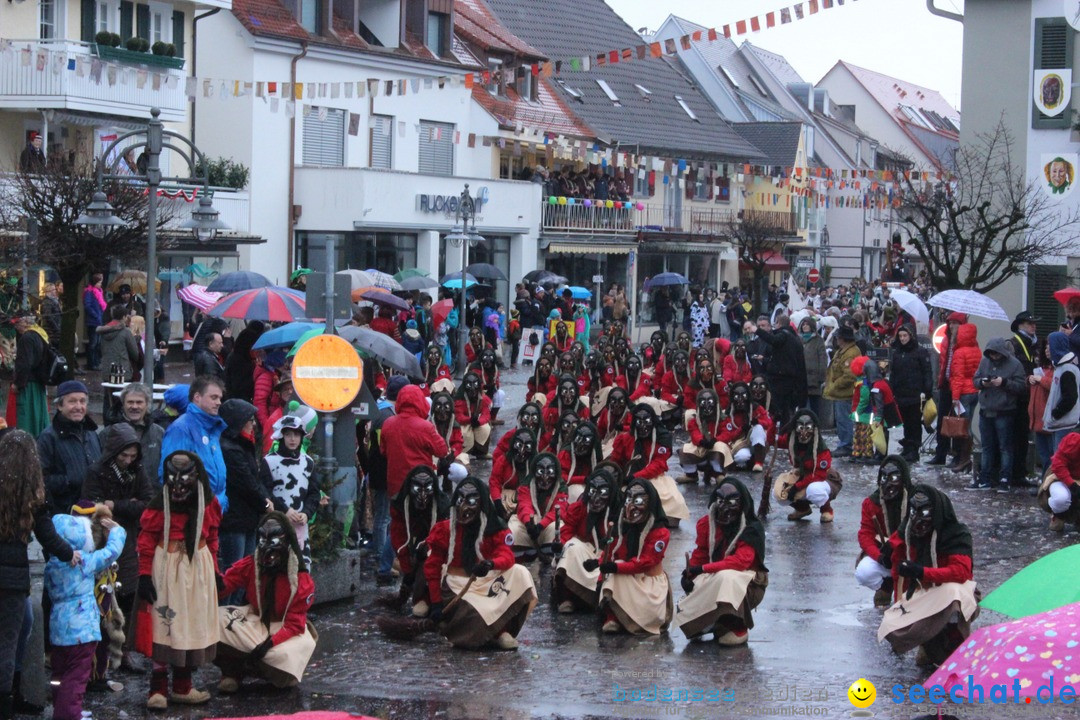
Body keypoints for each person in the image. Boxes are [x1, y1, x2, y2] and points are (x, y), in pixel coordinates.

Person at [0, 429, 78, 718]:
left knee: (25, 622)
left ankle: (16, 691)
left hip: (10, 580)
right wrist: (71, 553)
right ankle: (6, 704)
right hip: (11, 580)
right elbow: (45, 532)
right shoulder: (30, 490)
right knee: (6, 644)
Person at [135, 451, 221, 709]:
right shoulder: (159, 506)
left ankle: (183, 686)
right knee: (166, 623)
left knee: (190, 624)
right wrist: (144, 574)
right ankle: (157, 689)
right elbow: (147, 539)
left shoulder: (208, 504)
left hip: (197, 568)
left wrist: (215, 571)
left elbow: (214, 535)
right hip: (167, 568)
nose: (180, 486)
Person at [422, 477, 537, 650]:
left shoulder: (495, 528)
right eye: (460, 499)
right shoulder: (445, 529)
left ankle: (504, 631)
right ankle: (491, 634)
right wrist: (436, 602)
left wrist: (491, 564)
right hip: (458, 586)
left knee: (520, 573)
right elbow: (432, 566)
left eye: (471, 501)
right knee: (473, 612)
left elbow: (507, 556)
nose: (464, 507)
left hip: (486, 580)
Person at [877, 485, 978, 668]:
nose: (917, 516)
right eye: (913, 510)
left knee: (953, 593)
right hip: (923, 590)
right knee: (892, 625)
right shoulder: (909, 533)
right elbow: (899, 572)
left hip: (955, 591)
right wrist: (900, 602)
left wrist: (923, 572)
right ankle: (929, 645)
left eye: (923, 510)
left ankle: (956, 645)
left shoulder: (955, 533)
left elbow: (960, 573)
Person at [215, 513, 317, 692]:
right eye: (263, 539)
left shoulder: (300, 580)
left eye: (275, 539)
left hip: (286, 629)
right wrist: (213, 580)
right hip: (256, 621)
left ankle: (273, 674)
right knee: (215, 619)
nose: (268, 547)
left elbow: (294, 625)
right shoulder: (251, 565)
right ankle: (232, 672)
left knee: (284, 656)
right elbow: (224, 586)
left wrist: (268, 645)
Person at [80, 422, 155, 667]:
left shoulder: (137, 470)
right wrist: (123, 505)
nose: (128, 460)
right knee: (104, 593)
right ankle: (102, 649)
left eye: (132, 456)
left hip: (130, 538)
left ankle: (123, 650)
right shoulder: (97, 472)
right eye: (124, 455)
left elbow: (147, 502)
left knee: (128, 594)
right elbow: (94, 508)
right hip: (103, 541)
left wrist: (116, 505)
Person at [44, 506, 125, 720]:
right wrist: (117, 531)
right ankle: (70, 714)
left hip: (58, 630)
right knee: (77, 677)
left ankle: (62, 708)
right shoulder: (84, 562)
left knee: (59, 674)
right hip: (82, 633)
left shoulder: (51, 565)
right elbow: (111, 552)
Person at [676, 479, 768, 645]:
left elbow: (740, 562)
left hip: (747, 583)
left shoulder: (751, 529)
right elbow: (702, 552)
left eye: (732, 502)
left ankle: (736, 625)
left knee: (727, 578)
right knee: (699, 591)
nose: (725, 507)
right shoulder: (707, 523)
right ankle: (713, 622)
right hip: (715, 575)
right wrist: (690, 573)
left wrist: (703, 569)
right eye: (720, 501)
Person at [593, 478, 672, 635]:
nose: (631, 506)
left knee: (618, 570)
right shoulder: (621, 526)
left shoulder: (660, 532)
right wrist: (599, 565)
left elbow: (645, 563)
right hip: (628, 577)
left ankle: (636, 619)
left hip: (649, 582)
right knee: (616, 571)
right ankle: (614, 617)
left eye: (638, 500)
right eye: (629, 499)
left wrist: (616, 567)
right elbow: (611, 552)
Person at [553, 463, 621, 614]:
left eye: (602, 492)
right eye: (592, 491)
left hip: (609, 553)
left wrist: (601, 559)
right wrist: (560, 544)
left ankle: (608, 610)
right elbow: (568, 529)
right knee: (571, 547)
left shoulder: (620, 511)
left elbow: (618, 542)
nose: (596, 498)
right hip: (587, 548)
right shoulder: (581, 507)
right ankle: (566, 598)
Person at [609, 404, 689, 528]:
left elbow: (658, 464)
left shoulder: (662, 438)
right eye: (638, 421)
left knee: (673, 503)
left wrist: (636, 476)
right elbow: (615, 461)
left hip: (655, 477)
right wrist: (616, 475)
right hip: (628, 478)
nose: (642, 426)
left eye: (646, 421)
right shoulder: (625, 439)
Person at [218, 399, 273, 578]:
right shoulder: (231, 449)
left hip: (246, 517)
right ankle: (228, 606)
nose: (254, 424)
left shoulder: (242, 445)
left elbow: (253, 479)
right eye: (250, 420)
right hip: (235, 519)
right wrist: (264, 503)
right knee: (234, 570)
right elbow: (246, 482)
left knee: (246, 569)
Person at [159, 376, 228, 510]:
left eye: (220, 398)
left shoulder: (211, 427)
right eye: (213, 397)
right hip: (194, 511)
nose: (219, 402)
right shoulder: (181, 428)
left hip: (214, 510)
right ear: (197, 397)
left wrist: (222, 501)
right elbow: (169, 473)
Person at [260, 415, 319, 567]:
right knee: (276, 567)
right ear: (282, 436)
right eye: (288, 434)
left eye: (296, 435)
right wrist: (284, 510)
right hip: (275, 525)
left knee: (302, 567)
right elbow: (265, 491)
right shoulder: (269, 461)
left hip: (300, 525)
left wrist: (306, 513)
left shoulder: (309, 463)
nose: (292, 439)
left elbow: (314, 493)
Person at [389, 467, 449, 616]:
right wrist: (407, 567)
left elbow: (446, 537)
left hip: (438, 550)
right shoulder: (400, 505)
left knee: (432, 565)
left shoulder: (442, 506)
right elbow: (398, 536)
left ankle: (433, 599)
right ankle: (420, 596)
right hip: (412, 546)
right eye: (417, 488)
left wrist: (429, 546)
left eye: (427, 488)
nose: (422, 495)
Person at [856, 456, 914, 607]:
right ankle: (886, 584)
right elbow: (865, 534)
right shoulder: (871, 503)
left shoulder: (916, 502)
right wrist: (880, 556)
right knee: (864, 572)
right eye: (884, 478)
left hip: (913, 556)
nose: (889, 485)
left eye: (894, 478)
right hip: (887, 555)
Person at [971, 338, 1027, 492]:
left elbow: (1021, 386)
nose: (994, 357)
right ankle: (985, 478)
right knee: (987, 447)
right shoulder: (984, 362)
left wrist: (1003, 383)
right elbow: (975, 380)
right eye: (992, 354)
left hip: (1005, 412)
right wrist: (983, 383)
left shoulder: (1015, 364)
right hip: (985, 410)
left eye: (996, 354)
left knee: (1005, 447)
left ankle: (1005, 479)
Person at [37, 381, 101, 515]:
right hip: (62, 513)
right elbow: (40, 479)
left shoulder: (92, 433)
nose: (78, 407)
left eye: (82, 401)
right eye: (72, 401)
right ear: (60, 405)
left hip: (92, 511)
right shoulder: (48, 437)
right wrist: (70, 480)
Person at [774, 410, 840, 522]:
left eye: (808, 428)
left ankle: (826, 509)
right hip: (801, 476)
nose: (804, 433)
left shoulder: (821, 449)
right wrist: (773, 423)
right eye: (800, 428)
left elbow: (819, 475)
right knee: (778, 493)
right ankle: (802, 509)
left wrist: (797, 487)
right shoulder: (792, 440)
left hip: (823, 479)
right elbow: (773, 441)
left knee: (814, 490)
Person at [509, 453, 569, 563]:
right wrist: (528, 523)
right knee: (514, 528)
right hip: (531, 522)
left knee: (558, 528)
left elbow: (558, 511)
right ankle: (520, 560)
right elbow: (524, 505)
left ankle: (552, 558)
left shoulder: (561, 488)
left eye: (549, 472)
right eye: (541, 472)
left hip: (547, 523)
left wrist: (540, 526)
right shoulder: (526, 485)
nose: (545, 477)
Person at [928, 313, 971, 466]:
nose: (952, 326)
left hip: (958, 387)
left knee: (957, 423)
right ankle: (941, 453)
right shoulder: (946, 340)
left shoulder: (966, 342)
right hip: (946, 385)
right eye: (951, 323)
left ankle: (958, 455)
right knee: (942, 422)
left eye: (956, 323)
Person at [889, 324, 933, 463]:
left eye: (905, 336)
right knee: (906, 423)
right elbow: (894, 373)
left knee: (914, 422)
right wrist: (893, 389)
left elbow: (927, 371)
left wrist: (927, 389)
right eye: (900, 336)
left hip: (915, 393)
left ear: (911, 336)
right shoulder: (897, 353)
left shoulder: (919, 352)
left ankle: (914, 449)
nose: (902, 339)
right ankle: (908, 447)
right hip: (901, 393)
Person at [753, 314, 807, 427]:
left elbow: (773, 340)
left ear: (779, 323)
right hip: (792, 378)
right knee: (786, 409)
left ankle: (780, 431)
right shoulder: (795, 338)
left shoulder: (784, 335)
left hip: (782, 378)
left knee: (780, 409)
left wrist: (757, 331)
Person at [1007, 311, 1039, 487]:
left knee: (1022, 436)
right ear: (1020, 325)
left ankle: (1019, 472)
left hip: (1029, 397)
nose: (1033, 326)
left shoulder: (1034, 345)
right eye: (1029, 323)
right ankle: (1014, 473)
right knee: (1016, 437)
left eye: (1034, 323)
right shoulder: (1013, 344)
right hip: (1017, 398)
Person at [110, 383, 165, 481]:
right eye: (130, 402)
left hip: (152, 493)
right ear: (123, 404)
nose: (134, 406)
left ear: (147, 404)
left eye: (139, 402)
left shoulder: (159, 433)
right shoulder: (109, 433)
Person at [824, 326, 861, 458]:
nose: (836, 340)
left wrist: (835, 385)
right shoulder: (844, 351)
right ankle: (844, 443)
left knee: (844, 419)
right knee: (841, 419)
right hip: (840, 393)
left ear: (842, 339)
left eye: (838, 337)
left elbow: (850, 376)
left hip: (845, 393)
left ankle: (845, 445)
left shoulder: (850, 353)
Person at [678, 389, 727, 486]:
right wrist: (701, 441)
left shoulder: (723, 419)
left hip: (715, 450)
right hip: (701, 450)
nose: (707, 406)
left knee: (720, 447)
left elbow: (727, 433)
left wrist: (716, 440)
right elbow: (694, 432)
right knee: (685, 449)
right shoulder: (695, 420)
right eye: (703, 402)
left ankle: (718, 473)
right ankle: (691, 474)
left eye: (710, 402)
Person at [13, 312, 50, 437]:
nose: (16, 327)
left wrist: (18, 384)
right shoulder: (40, 334)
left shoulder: (26, 338)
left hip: (28, 384)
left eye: (17, 323)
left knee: (27, 419)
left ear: (25, 323)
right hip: (39, 382)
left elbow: (25, 364)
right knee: (39, 417)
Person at [98, 305, 141, 384]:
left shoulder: (103, 331)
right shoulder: (126, 332)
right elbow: (135, 354)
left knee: (108, 394)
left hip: (106, 370)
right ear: (124, 317)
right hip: (122, 371)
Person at [83, 273, 107, 371]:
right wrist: (96, 315)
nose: (101, 284)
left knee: (97, 343)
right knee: (93, 343)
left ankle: (96, 362)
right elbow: (87, 305)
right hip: (93, 321)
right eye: (99, 282)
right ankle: (91, 363)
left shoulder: (99, 291)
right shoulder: (89, 292)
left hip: (99, 320)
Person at [40, 283, 62, 350]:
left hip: (54, 331)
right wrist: (57, 329)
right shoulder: (47, 302)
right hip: (51, 332)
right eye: (53, 289)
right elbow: (48, 317)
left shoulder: (54, 301)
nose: (55, 291)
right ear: (48, 291)